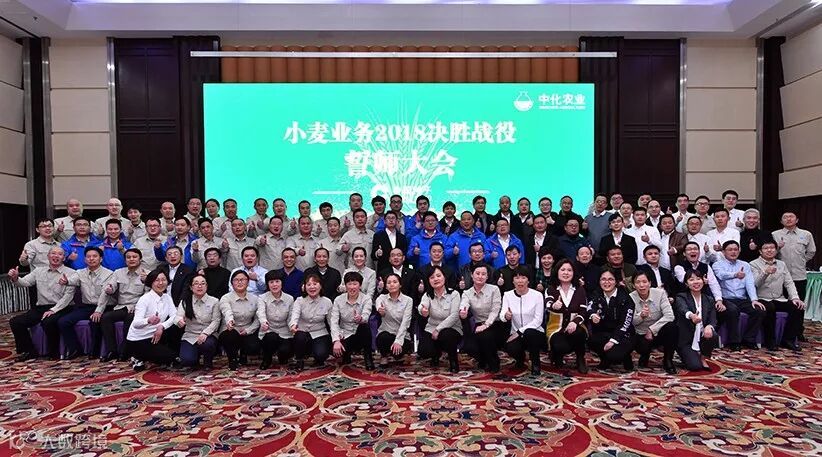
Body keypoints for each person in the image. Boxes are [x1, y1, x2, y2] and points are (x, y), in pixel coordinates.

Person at [8, 246, 75, 361]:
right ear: (48, 256)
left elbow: (68, 297)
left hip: (63, 307)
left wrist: (53, 310)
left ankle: (53, 351)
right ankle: (29, 351)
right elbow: (25, 282)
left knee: (48, 321)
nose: (56, 256)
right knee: (16, 322)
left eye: (60, 254)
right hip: (42, 307)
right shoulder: (38, 271)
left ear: (64, 258)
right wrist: (15, 278)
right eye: (53, 253)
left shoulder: (71, 273)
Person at [59, 247, 114, 359]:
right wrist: (66, 281)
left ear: (101, 259)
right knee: (63, 322)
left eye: (94, 256)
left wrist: (98, 311)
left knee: (95, 321)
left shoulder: (109, 274)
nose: (91, 259)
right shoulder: (80, 272)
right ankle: (75, 349)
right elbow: (72, 280)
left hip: (105, 306)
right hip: (87, 307)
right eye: (88, 257)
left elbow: (105, 295)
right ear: (84, 259)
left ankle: (94, 352)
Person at [750, 240, 805, 351]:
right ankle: (770, 341)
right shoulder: (753, 264)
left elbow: (789, 282)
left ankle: (788, 339)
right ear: (760, 251)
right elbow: (755, 284)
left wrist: (795, 298)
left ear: (776, 250)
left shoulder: (781, 264)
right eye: (766, 248)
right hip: (762, 298)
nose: (769, 250)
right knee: (769, 308)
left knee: (798, 307)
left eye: (772, 248)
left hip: (779, 298)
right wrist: (765, 273)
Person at [713, 240, 765, 351]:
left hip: (741, 298)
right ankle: (734, 342)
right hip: (725, 298)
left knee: (759, 310)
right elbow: (721, 275)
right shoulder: (717, 264)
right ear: (723, 252)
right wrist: (735, 275)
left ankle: (749, 339)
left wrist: (754, 299)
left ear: (739, 250)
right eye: (730, 250)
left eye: (736, 249)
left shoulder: (745, 265)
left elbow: (750, 283)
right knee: (733, 310)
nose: (733, 252)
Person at [772, 211, 816, 341]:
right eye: (785, 217)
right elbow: (769, 252)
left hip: (799, 275)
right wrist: (778, 248)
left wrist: (801, 261)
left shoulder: (806, 234)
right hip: (780, 277)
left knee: (799, 305)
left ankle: (798, 332)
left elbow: (811, 251)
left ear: (797, 220)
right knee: (782, 305)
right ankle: (782, 331)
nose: (788, 219)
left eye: (791, 217)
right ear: (781, 221)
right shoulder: (775, 234)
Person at [97, 248, 147, 362]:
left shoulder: (147, 273)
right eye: (128, 257)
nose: (131, 259)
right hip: (121, 306)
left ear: (140, 259)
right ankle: (112, 350)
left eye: (134, 257)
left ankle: (125, 351)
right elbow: (111, 286)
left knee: (130, 319)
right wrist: (109, 289)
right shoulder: (118, 272)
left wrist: (138, 306)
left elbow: (148, 294)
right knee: (106, 317)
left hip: (138, 307)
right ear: (125, 260)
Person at [125, 269, 179, 371]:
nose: (161, 283)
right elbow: (136, 323)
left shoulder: (167, 297)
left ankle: (148, 356)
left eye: (163, 280)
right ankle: (137, 356)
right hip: (139, 339)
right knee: (169, 358)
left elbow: (174, 316)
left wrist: (161, 326)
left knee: (175, 358)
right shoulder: (144, 299)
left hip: (156, 335)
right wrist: (148, 320)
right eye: (157, 280)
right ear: (151, 282)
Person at [544, 259, 589, 374]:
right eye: (563, 270)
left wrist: (575, 322)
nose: (566, 273)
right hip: (556, 327)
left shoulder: (580, 289)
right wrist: (554, 305)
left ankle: (580, 358)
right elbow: (547, 303)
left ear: (574, 273)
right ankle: (556, 354)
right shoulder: (551, 288)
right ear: (557, 272)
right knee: (560, 346)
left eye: (569, 270)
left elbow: (583, 311)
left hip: (575, 326)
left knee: (580, 333)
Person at [587, 270, 636, 371]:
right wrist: (593, 314)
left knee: (615, 356)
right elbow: (590, 307)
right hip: (604, 332)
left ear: (616, 282)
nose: (606, 282)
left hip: (623, 334)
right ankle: (605, 359)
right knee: (591, 340)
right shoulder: (597, 293)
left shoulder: (625, 298)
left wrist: (613, 340)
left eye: (610, 279)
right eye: (603, 279)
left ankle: (626, 357)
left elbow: (626, 323)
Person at [629, 271, 677, 374]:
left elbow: (670, 316)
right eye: (638, 282)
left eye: (644, 282)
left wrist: (652, 329)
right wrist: (641, 316)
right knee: (642, 346)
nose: (641, 285)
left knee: (672, 327)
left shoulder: (660, 294)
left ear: (650, 283)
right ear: (633, 285)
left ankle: (668, 360)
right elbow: (631, 322)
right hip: (641, 334)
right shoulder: (630, 297)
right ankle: (645, 354)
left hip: (658, 331)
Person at [500, 266, 545, 375]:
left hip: (535, 332)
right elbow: (502, 314)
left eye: (523, 278)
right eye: (517, 278)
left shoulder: (537, 295)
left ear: (528, 280)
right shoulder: (507, 295)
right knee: (510, 347)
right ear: (513, 281)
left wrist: (520, 332)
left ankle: (535, 362)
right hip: (515, 333)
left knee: (529, 333)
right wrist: (506, 316)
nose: (520, 281)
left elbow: (538, 320)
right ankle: (520, 359)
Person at [418, 266, 463, 373]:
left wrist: (438, 329)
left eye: (438, 276)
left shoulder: (454, 294)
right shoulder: (427, 295)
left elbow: (454, 316)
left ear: (444, 277)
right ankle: (436, 354)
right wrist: (422, 310)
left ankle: (453, 361)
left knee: (446, 335)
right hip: (432, 328)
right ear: (428, 281)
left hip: (452, 328)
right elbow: (422, 306)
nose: (436, 279)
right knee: (424, 351)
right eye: (432, 277)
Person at [459, 264, 503, 372]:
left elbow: (495, 310)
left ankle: (493, 362)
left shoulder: (494, 289)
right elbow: (464, 305)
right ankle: (483, 359)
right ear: (472, 275)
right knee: (468, 347)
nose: (480, 276)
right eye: (477, 273)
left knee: (486, 336)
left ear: (487, 276)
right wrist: (463, 312)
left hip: (494, 323)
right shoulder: (467, 293)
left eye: (483, 274)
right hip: (478, 324)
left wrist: (486, 325)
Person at [674, 270, 719, 371]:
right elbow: (683, 309)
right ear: (686, 283)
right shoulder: (681, 297)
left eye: (698, 279)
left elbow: (713, 319)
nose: (696, 282)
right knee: (695, 367)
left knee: (713, 334)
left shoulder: (709, 299)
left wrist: (709, 326)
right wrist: (691, 316)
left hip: (702, 336)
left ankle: (703, 357)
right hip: (686, 339)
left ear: (703, 281)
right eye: (691, 280)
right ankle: (688, 355)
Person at [330, 271, 375, 369]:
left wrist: (360, 318)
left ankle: (368, 357)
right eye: (349, 284)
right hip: (345, 334)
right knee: (335, 351)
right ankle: (346, 355)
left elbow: (366, 315)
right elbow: (334, 321)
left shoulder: (366, 299)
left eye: (355, 284)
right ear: (345, 286)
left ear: (360, 285)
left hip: (359, 333)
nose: (352, 287)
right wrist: (336, 340)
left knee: (365, 327)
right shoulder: (338, 300)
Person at [218, 270, 261, 370]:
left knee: (254, 346)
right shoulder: (225, 298)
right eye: (236, 280)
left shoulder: (255, 299)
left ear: (248, 282)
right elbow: (226, 311)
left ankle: (243, 354)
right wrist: (230, 321)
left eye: (242, 279)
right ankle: (232, 359)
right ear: (232, 283)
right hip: (230, 329)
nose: (239, 282)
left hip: (247, 329)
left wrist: (249, 330)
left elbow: (258, 318)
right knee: (230, 336)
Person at [175, 274, 220, 368]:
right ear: (191, 287)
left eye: (203, 283)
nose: (200, 286)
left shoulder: (214, 301)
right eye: (196, 283)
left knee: (208, 344)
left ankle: (208, 360)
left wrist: (205, 333)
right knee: (187, 361)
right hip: (190, 335)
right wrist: (179, 321)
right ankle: (195, 357)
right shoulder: (185, 301)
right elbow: (178, 316)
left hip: (208, 335)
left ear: (206, 286)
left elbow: (216, 321)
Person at [289, 274, 333, 370]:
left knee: (321, 354)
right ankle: (299, 360)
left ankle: (315, 356)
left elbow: (331, 322)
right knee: (299, 337)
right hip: (303, 332)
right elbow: (295, 315)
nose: (312, 287)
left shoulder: (327, 302)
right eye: (308, 284)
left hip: (319, 332)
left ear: (320, 286)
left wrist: (336, 338)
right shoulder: (299, 301)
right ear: (304, 287)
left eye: (315, 284)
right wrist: (293, 325)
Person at [257, 270, 295, 369]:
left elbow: (290, 317)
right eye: (271, 282)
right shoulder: (262, 298)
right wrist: (263, 322)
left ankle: (282, 356)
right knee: (271, 337)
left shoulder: (289, 299)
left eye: (277, 281)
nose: (274, 285)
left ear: (282, 283)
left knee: (285, 351)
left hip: (285, 332)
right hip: (269, 330)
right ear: (267, 284)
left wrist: (292, 326)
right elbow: (260, 312)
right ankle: (267, 359)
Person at [375, 273, 414, 367]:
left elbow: (405, 323)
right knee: (383, 337)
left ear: (400, 285)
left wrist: (398, 341)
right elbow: (378, 304)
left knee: (397, 354)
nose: (392, 284)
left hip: (402, 336)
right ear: (386, 286)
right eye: (389, 283)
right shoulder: (382, 298)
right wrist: (380, 309)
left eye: (395, 282)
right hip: (386, 334)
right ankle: (384, 356)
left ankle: (398, 355)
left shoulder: (408, 300)